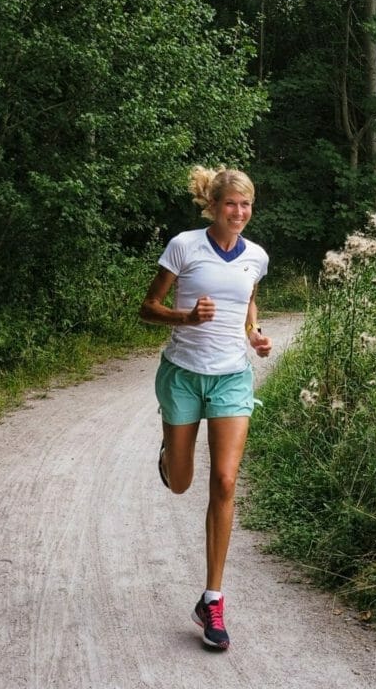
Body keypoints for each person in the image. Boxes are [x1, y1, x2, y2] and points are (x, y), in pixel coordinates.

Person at [139, 165, 272, 650]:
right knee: (181, 483)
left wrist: (253, 334)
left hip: (232, 378)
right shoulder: (184, 246)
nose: (239, 213)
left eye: (246, 205)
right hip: (182, 374)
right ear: (213, 206)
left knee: (225, 480)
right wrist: (185, 316)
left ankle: (211, 599)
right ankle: (169, 455)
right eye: (231, 204)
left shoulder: (256, 256)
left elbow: (249, 302)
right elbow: (147, 306)